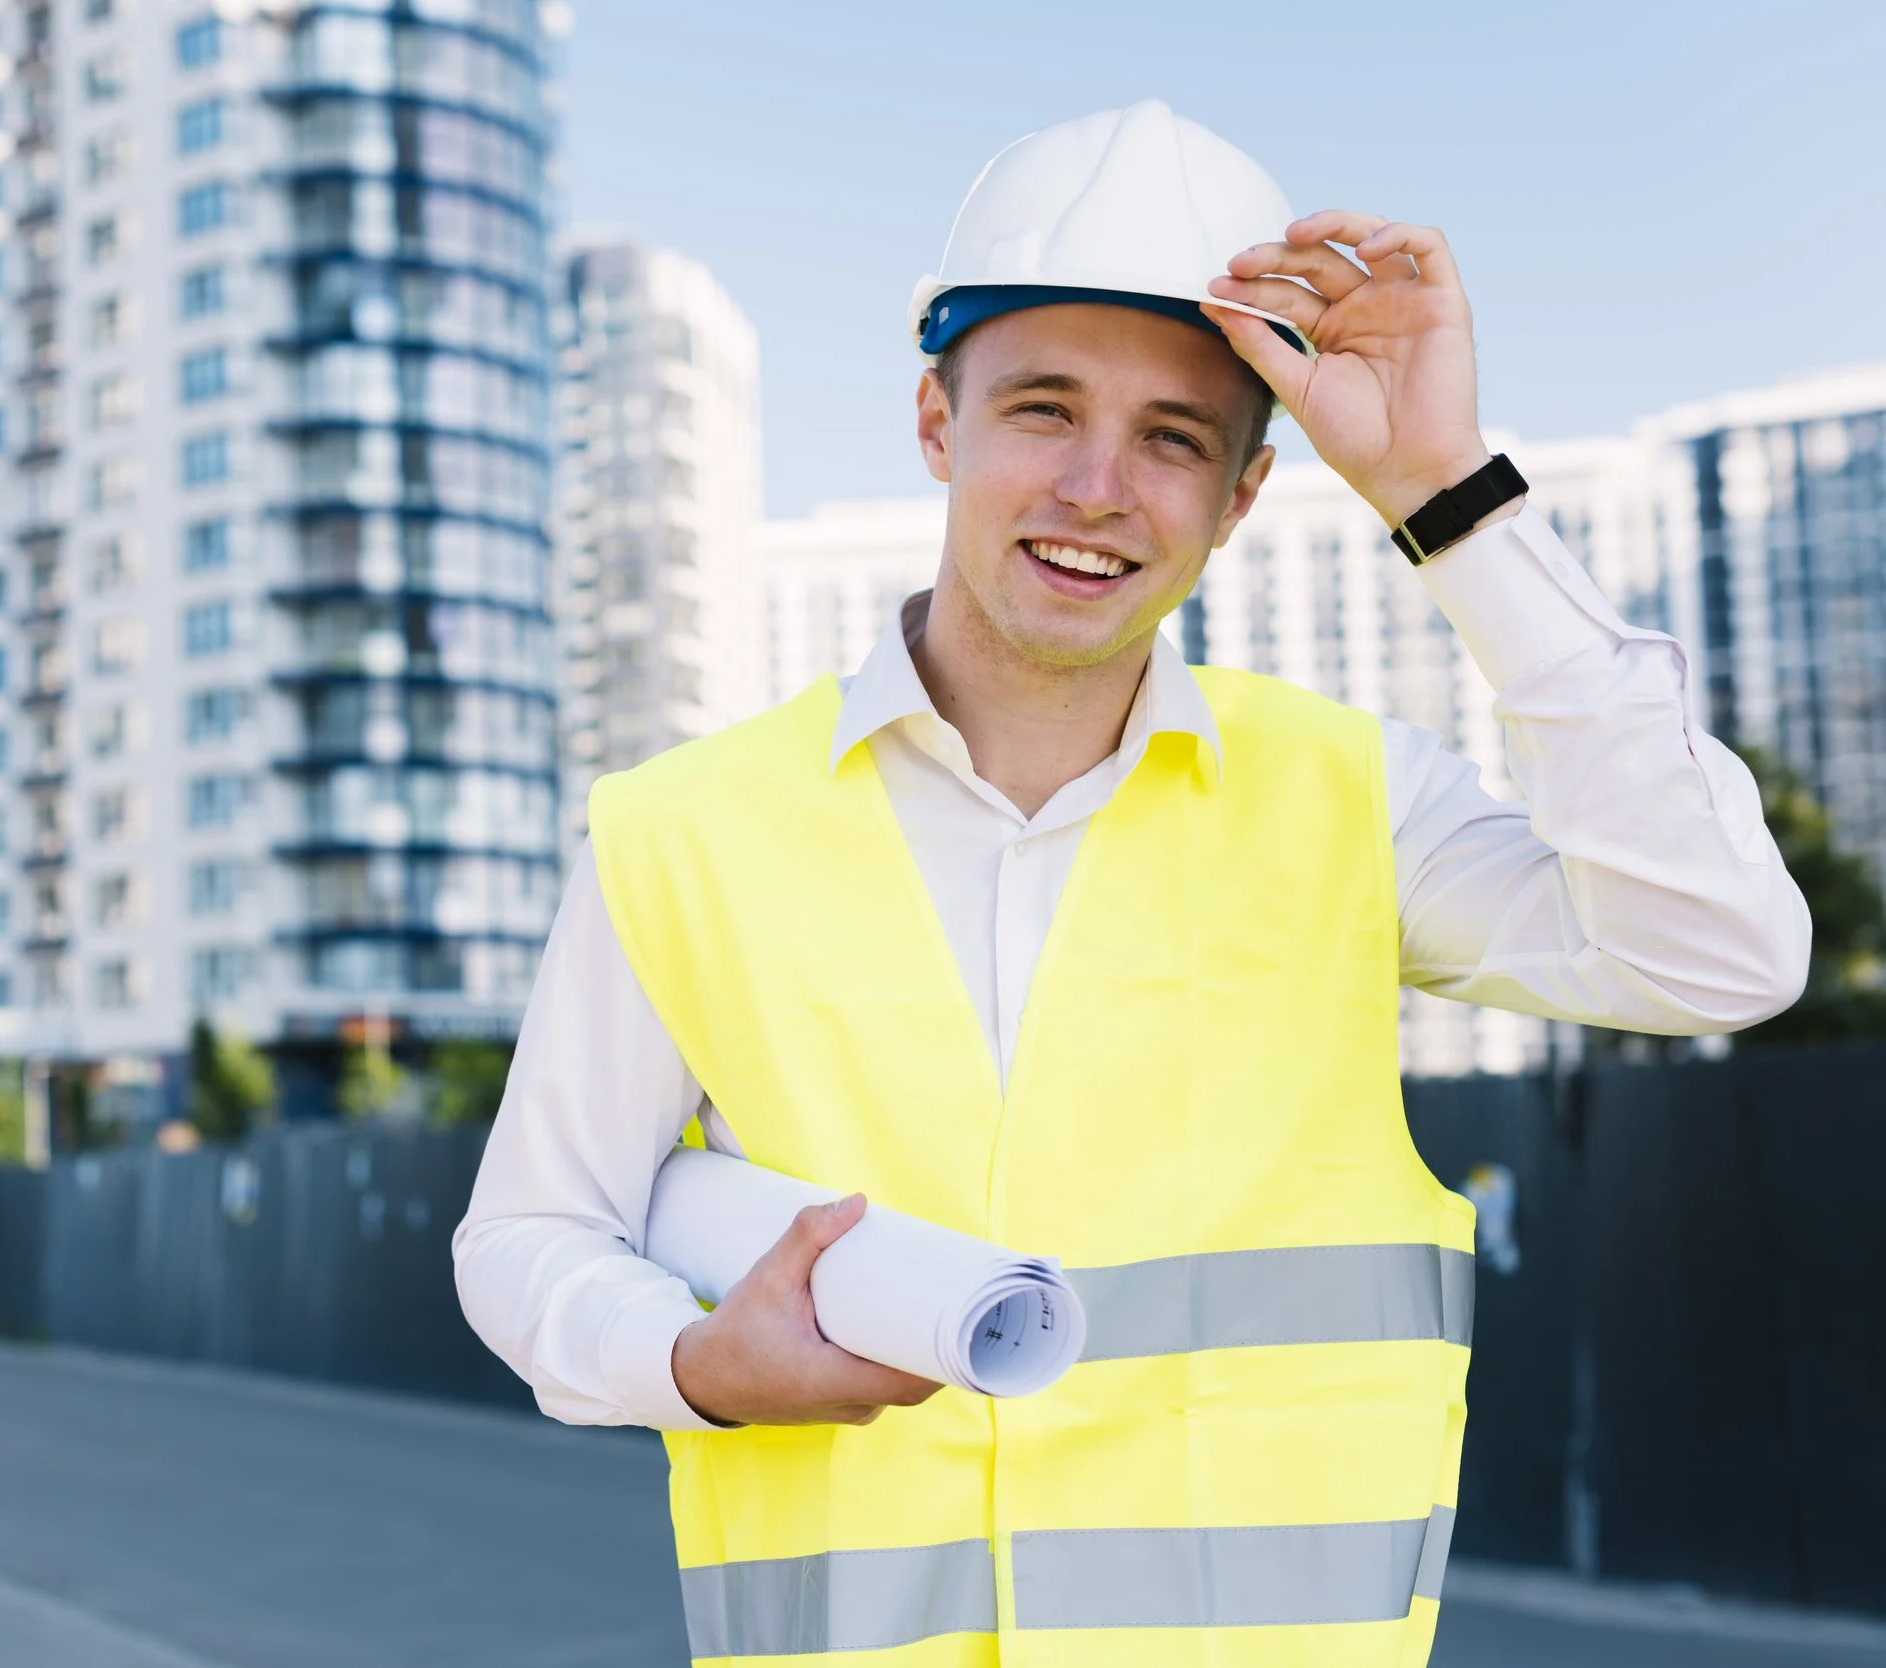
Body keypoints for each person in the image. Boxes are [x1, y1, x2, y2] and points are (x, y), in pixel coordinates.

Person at [454, 101, 1808, 1667]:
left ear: (1242, 498)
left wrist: (1446, 488)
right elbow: (529, 1238)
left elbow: (1720, 952)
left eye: (1174, 438)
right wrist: (693, 1365)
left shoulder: (1356, 802)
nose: (1099, 487)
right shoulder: (679, 833)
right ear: (936, 424)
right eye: (1043, 410)